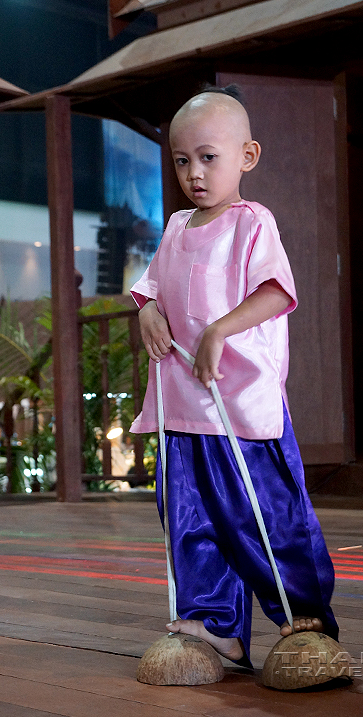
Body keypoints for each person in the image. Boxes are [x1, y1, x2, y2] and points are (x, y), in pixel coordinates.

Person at [130, 85, 338, 669]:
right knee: (191, 520)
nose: (194, 173)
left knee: (263, 515)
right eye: (181, 160)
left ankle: (303, 620)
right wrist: (146, 310)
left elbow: (275, 292)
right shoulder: (174, 227)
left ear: (247, 156)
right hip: (183, 406)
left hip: (240, 409)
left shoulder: (252, 223)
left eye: (208, 157)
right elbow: (149, 289)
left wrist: (221, 329)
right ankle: (213, 625)